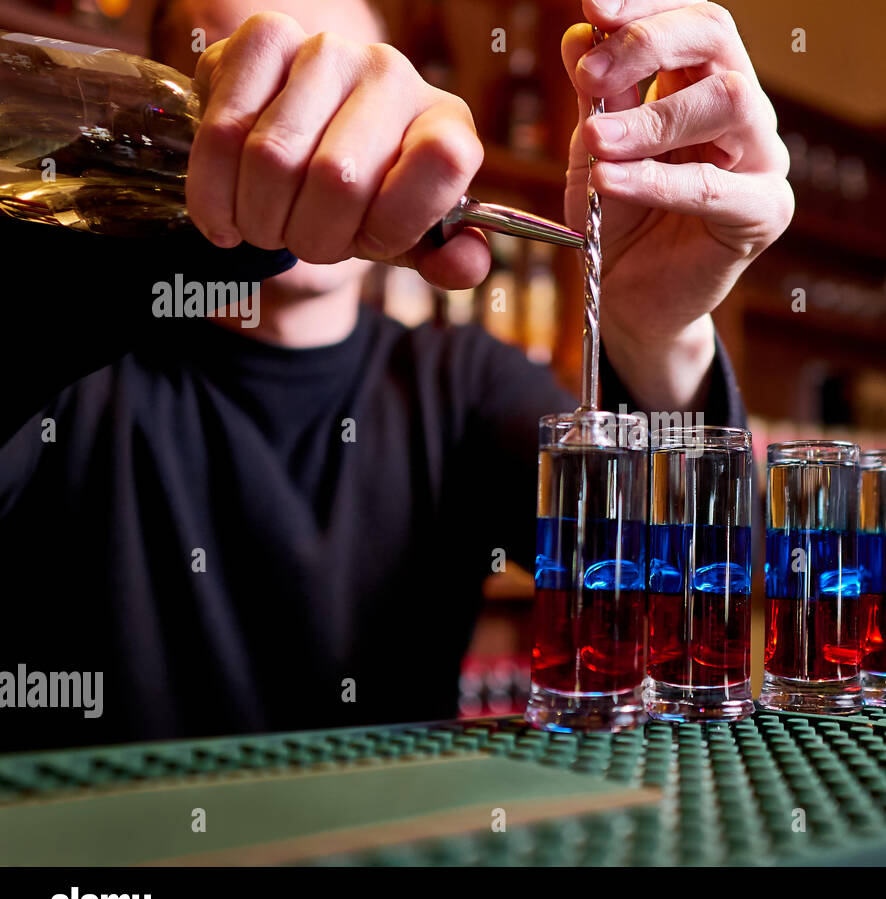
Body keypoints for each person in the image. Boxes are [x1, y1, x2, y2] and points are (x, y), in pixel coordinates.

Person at [0, 0, 792, 751]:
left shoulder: (457, 383)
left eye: (343, 88)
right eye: (264, 81)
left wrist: (651, 331)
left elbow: (686, 601)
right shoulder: (70, 361)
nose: (311, 137)